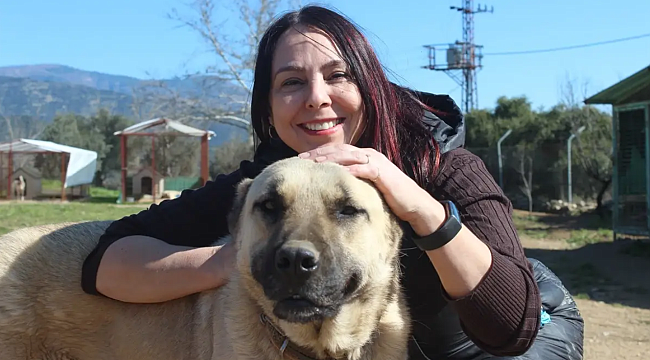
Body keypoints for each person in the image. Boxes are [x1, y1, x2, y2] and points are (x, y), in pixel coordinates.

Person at [80, 5, 583, 360]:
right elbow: (105, 263)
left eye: (338, 75)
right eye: (291, 82)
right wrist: (236, 258)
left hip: (499, 340)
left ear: (371, 87)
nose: (317, 98)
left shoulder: (445, 167)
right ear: (269, 105)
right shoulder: (270, 187)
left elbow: (511, 327)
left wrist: (420, 207)